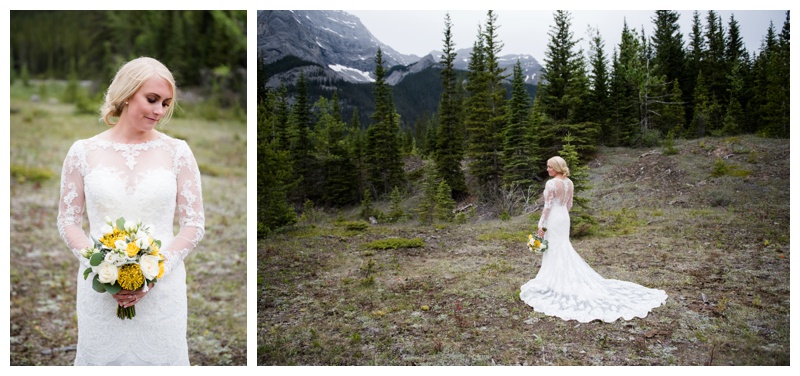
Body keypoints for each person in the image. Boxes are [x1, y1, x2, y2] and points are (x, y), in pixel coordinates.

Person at [57, 57, 204, 365]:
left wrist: (154, 272)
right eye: (151, 99)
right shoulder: (82, 152)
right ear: (126, 94)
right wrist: (100, 267)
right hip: (100, 288)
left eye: (165, 103)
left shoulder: (178, 152)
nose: (159, 111)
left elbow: (193, 225)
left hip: (163, 288)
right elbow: (69, 222)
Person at [520, 156, 666, 323]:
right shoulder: (569, 183)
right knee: (562, 246)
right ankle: (557, 278)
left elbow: (547, 206)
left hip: (553, 217)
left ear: (557, 167)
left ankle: (553, 281)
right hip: (563, 217)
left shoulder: (551, 184)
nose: (547, 169)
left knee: (555, 247)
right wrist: (562, 214)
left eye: (549, 167)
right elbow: (569, 204)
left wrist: (541, 223)